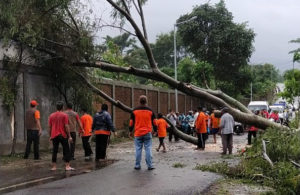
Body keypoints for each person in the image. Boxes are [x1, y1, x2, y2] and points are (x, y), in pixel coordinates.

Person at [129, 95, 157, 170]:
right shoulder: (150, 110)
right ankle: (150, 165)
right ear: (146, 101)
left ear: (139, 101)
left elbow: (131, 122)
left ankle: (137, 165)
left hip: (138, 133)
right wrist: (155, 130)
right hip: (147, 133)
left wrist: (130, 131)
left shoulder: (134, 111)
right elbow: (154, 122)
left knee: (138, 149)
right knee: (148, 149)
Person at [48, 101, 74, 171]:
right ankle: (67, 166)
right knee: (66, 150)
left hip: (54, 135)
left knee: (54, 151)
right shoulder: (64, 115)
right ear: (62, 107)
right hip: (63, 135)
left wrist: (50, 135)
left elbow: (50, 127)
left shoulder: (51, 115)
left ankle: (54, 167)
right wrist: (69, 136)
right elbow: (66, 126)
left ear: (56, 107)